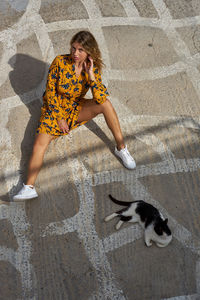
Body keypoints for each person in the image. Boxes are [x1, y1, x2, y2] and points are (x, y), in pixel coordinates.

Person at [13, 31, 136, 201]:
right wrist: (59, 118)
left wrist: (91, 75)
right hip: (54, 109)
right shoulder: (60, 62)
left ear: (89, 52)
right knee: (39, 143)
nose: (75, 53)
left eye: (80, 50)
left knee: (106, 104)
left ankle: (121, 149)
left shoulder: (92, 68)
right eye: (73, 48)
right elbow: (49, 93)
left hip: (76, 107)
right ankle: (28, 187)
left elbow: (100, 97)